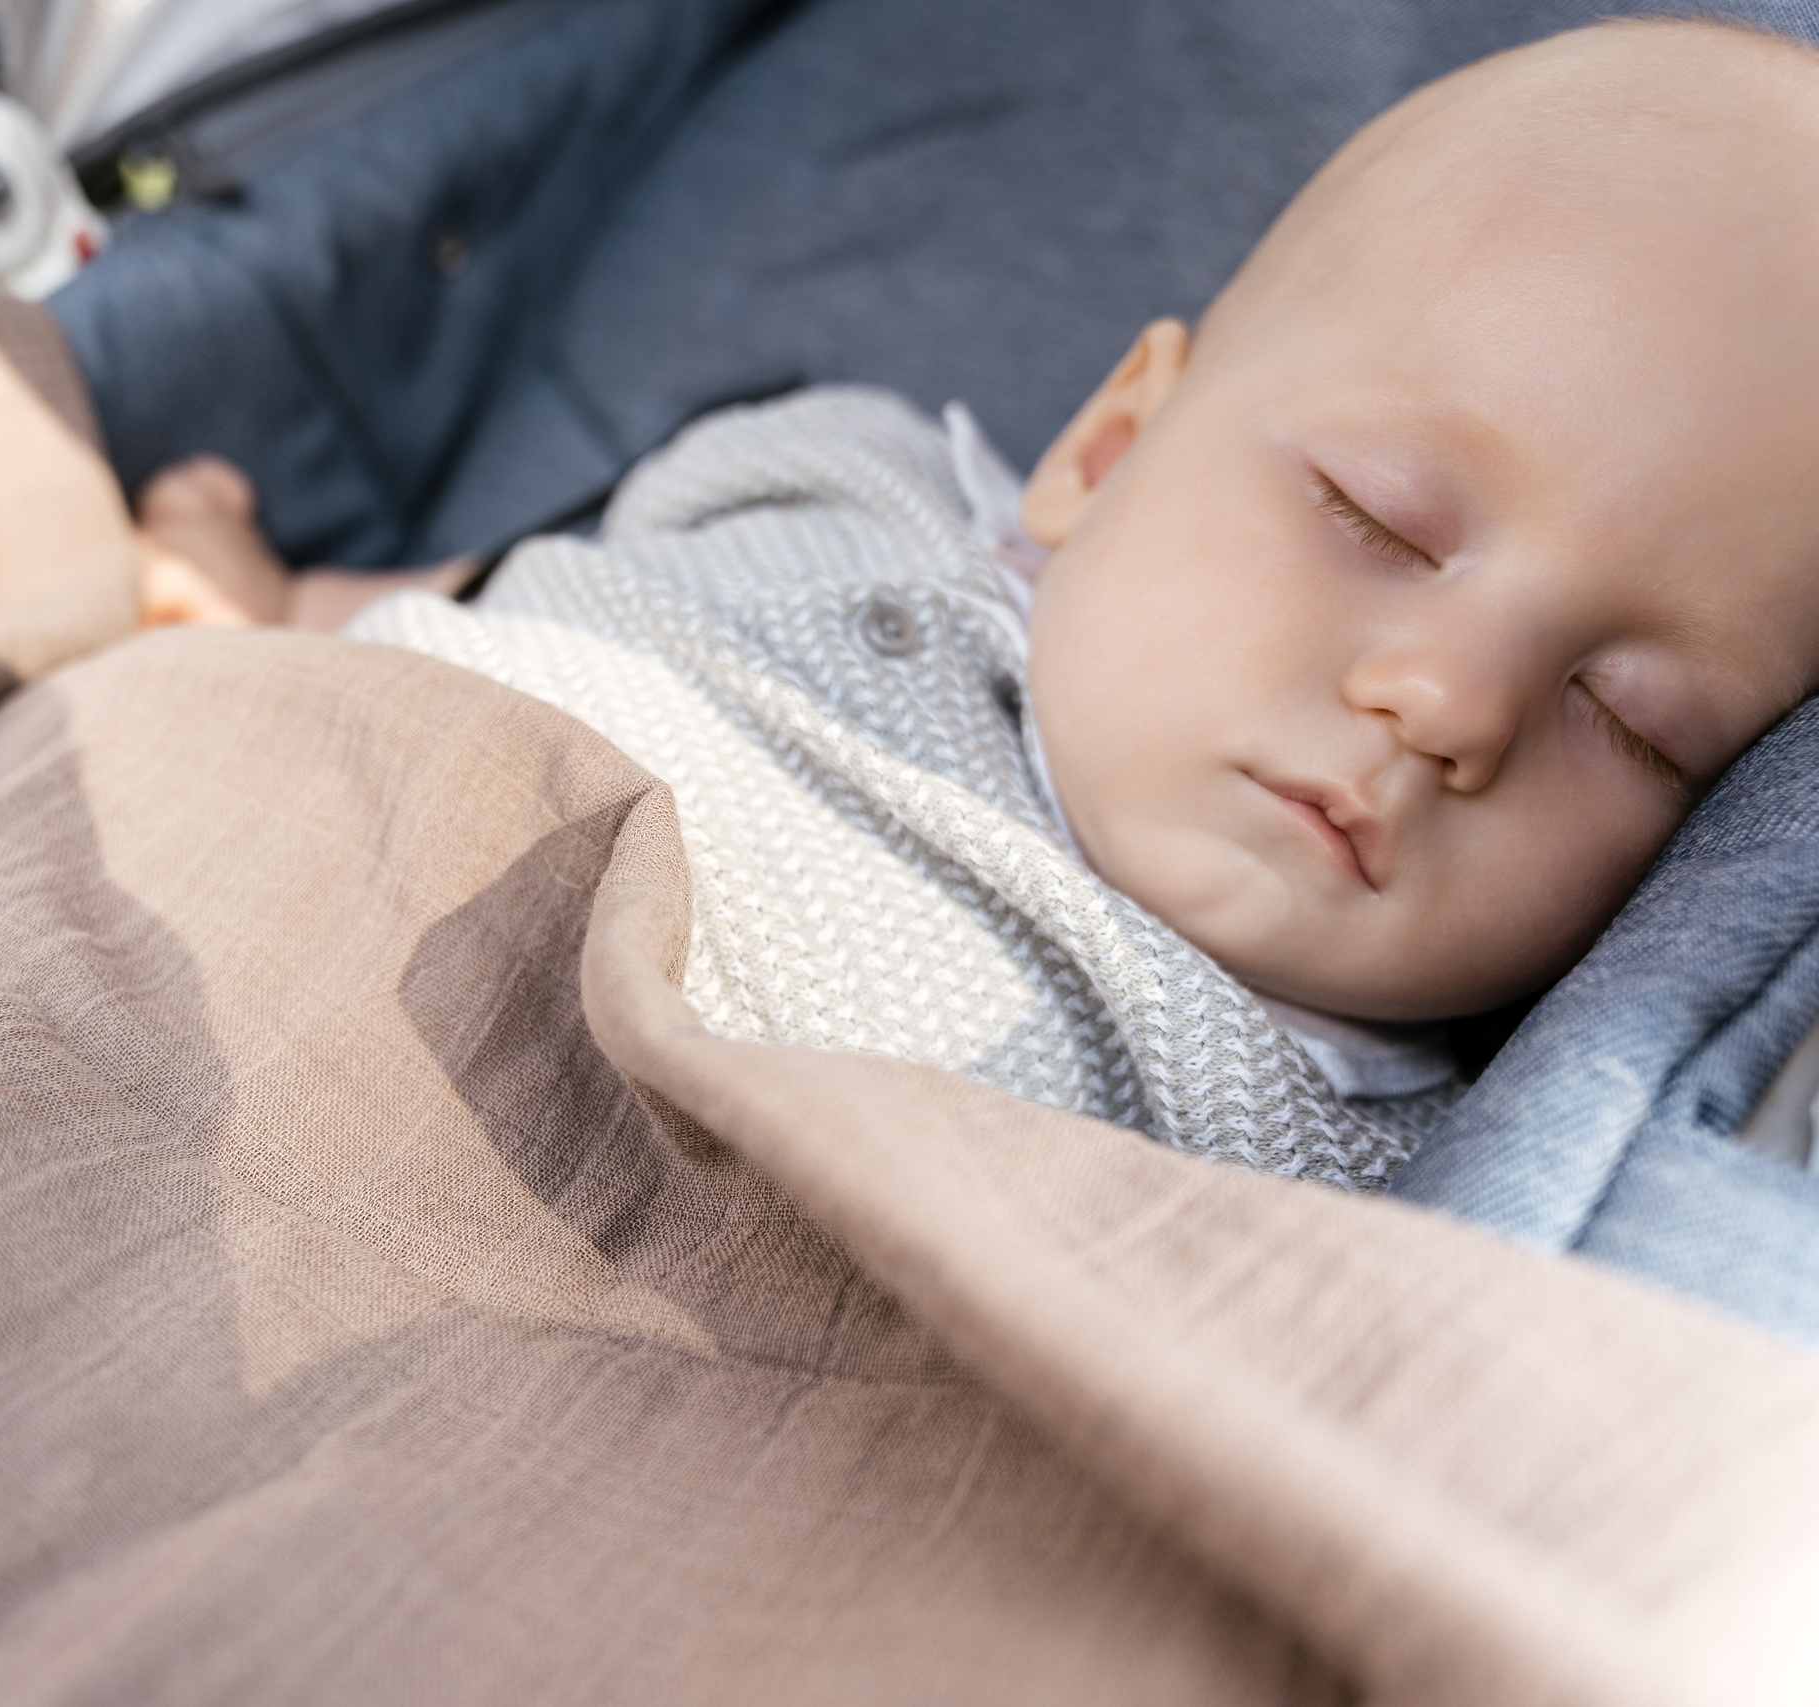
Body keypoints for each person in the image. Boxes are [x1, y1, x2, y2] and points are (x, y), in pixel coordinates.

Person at [127, 17, 1819, 1188]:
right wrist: (276, 610)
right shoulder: (835, 478)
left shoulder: (1352, 1163)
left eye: (1631, 724)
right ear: (1106, 444)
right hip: (211, 906)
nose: (1454, 703)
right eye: (1377, 521)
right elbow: (499, 598)